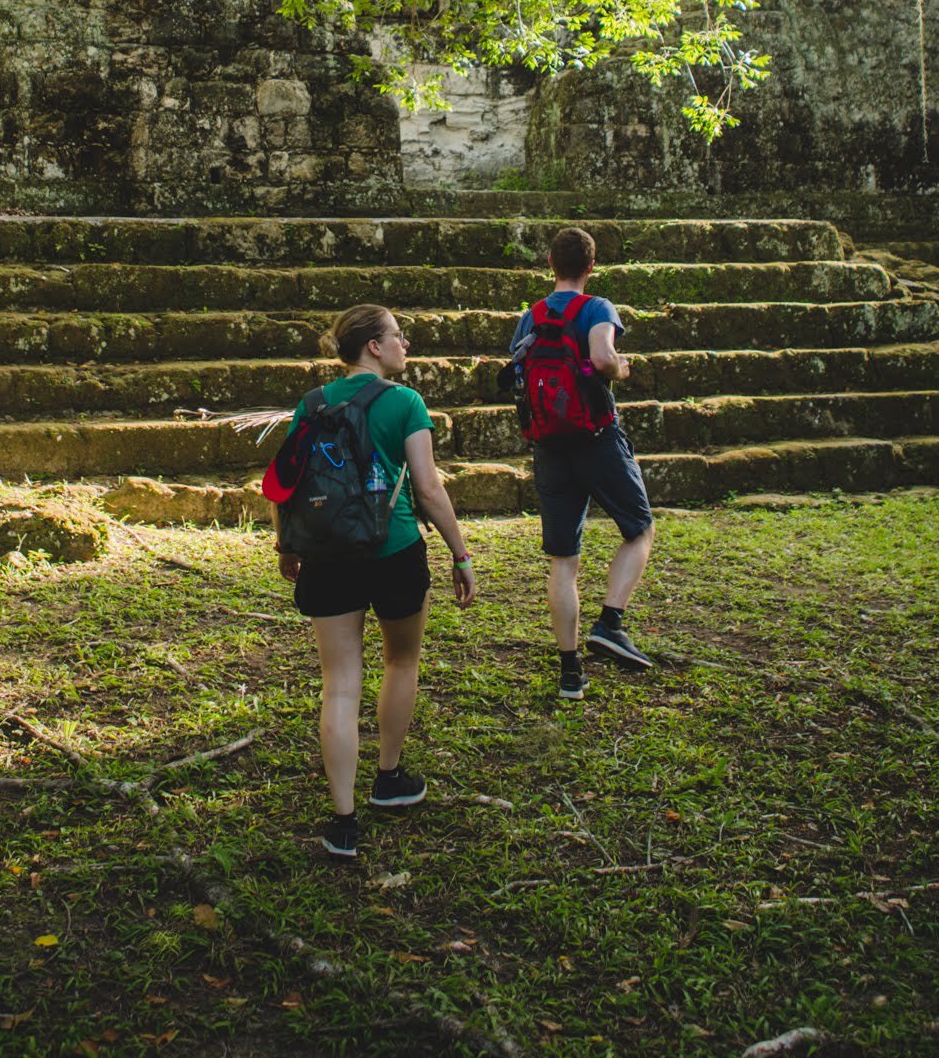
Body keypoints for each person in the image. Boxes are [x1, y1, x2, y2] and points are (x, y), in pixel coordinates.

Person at [276, 303, 476, 860]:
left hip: (326, 554)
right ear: (373, 347)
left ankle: (343, 821)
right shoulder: (405, 403)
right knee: (400, 661)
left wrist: (287, 546)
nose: (405, 344)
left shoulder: (312, 403)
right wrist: (460, 554)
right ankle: (388, 778)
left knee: (339, 683)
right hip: (394, 549)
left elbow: (286, 481)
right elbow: (431, 489)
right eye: (397, 336)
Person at [509, 225, 656, 701]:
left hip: (548, 444)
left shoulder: (530, 316)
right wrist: (621, 368)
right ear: (591, 267)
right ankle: (610, 623)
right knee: (639, 529)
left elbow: (516, 372)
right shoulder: (597, 308)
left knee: (563, 561)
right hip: (595, 436)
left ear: (550, 264)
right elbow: (602, 356)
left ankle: (570, 671)